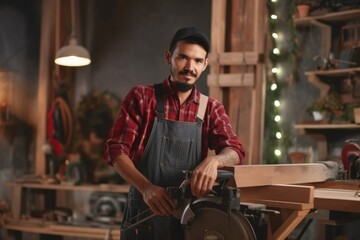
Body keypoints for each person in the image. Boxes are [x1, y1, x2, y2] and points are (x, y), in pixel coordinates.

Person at [103, 26, 245, 240]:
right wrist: (146, 188)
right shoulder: (142, 97)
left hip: (188, 219)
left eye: (198, 61)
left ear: (205, 64)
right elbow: (116, 151)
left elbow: (235, 151)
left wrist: (215, 161)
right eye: (183, 58)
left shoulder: (211, 109)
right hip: (143, 215)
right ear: (168, 57)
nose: (190, 67)